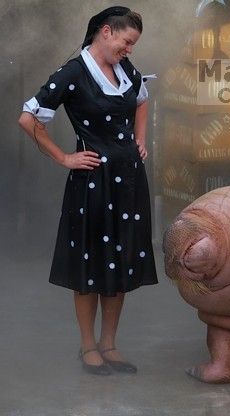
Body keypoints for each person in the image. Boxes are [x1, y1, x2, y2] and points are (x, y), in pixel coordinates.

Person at [18, 6, 158, 375]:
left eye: (133, 45)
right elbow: (27, 118)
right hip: (93, 185)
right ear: (107, 32)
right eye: (127, 42)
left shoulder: (126, 70)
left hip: (128, 182)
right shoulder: (73, 72)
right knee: (91, 265)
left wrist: (139, 139)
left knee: (121, 262)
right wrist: (64, 157)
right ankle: (87, 347)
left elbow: (141, 101)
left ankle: (110, 344)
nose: (129, 50)